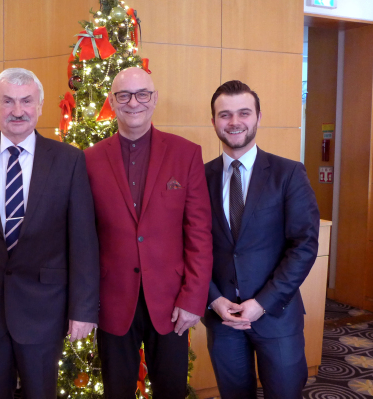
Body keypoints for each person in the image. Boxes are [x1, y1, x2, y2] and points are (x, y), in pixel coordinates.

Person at [0, 68, 99, 399]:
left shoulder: (69, 160)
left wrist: (83, 310)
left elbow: (83, 240)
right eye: (8, 101)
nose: (18, 111)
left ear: (41, 105)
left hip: (45, 308)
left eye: (26, 101)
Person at [84, 67, 213, 398]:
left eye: (142, 94)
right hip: (112, 300)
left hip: (172, 303)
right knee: (116, 391)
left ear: (154, 100)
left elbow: (199, 233)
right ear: (112, 102)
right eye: (124, 95)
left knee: (171, 391)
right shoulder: (89, 160)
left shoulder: (186, 154)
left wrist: (194, 298)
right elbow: (83, 238)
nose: (134, 103)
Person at [203, 80, 320, 399]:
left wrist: (262, 303)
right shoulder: (199, 178)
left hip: (277, 316)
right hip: (222, 316)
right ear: (213, 121)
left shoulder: (289, 173)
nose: (234, 122)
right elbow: (192, 246)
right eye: (224, 114)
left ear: (258, 116)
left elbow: (304, 245)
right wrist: (213, 299)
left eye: (243, 112)